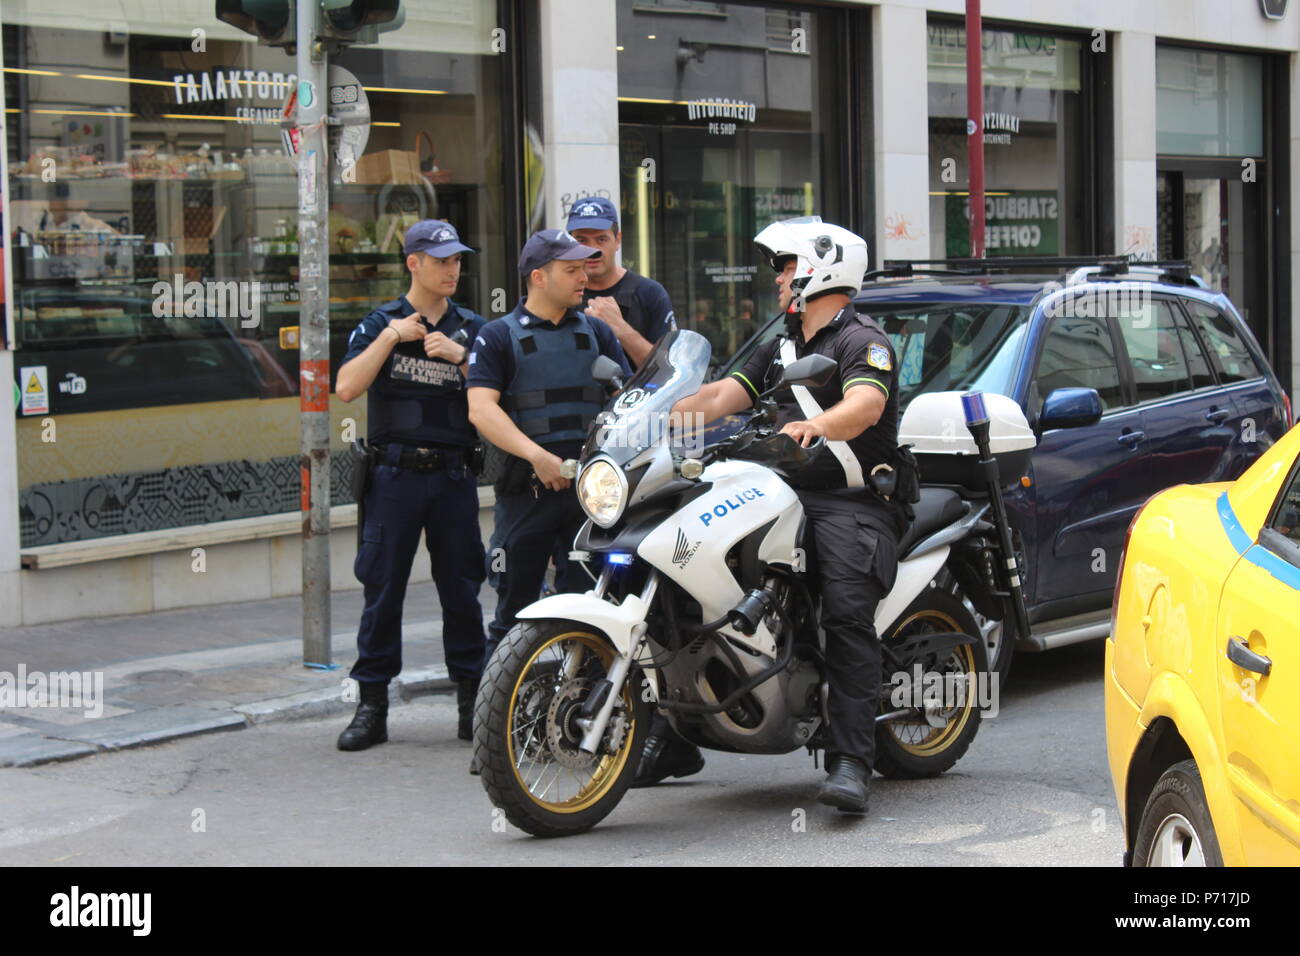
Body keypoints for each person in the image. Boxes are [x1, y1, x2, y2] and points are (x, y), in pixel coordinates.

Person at [669, 216, 910, 813]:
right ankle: (665, 739)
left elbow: (865, 405)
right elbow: (726, 394)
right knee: (683, 569)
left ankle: (852, 759)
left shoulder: (863, 340)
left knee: (846, 610)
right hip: (777, 488)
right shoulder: (783, 340)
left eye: (784, 267)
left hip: (851, 500)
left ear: (815, 269)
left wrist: (815, 425)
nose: (777, 279)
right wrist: (658, 412)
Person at [334, 219, 488, 751]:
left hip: (452, 475)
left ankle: (473, 703)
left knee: (462, 591)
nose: (452, 269)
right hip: (394, 475)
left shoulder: (473, 327)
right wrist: (390, 338)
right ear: (413, 263)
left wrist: (462, 360)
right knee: (383, 591)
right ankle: (371, 705)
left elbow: (502, 396)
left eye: (457, 259)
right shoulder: (381, 321)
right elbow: (347, 387)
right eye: (441, 259)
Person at [467, 229, 632, 668]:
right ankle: (495, 727)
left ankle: (586, 721)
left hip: (589, 499)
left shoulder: (597, 332)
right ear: (539, 277)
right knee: (514, 616)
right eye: (572, 269)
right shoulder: (497, 336)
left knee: (592, 614)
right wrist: (538, 457)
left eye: (584, 267)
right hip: (527, 496)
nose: (584, 277)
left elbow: (627, 401)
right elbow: (481, 411)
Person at [567, 196, 676, 368]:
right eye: (582, 241)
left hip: (638, 394)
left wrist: (618, 326)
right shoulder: (561, 295)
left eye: (601, 239)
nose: (592, 250)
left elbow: (667, 370)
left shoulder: (650, 293)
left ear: (617, 240)